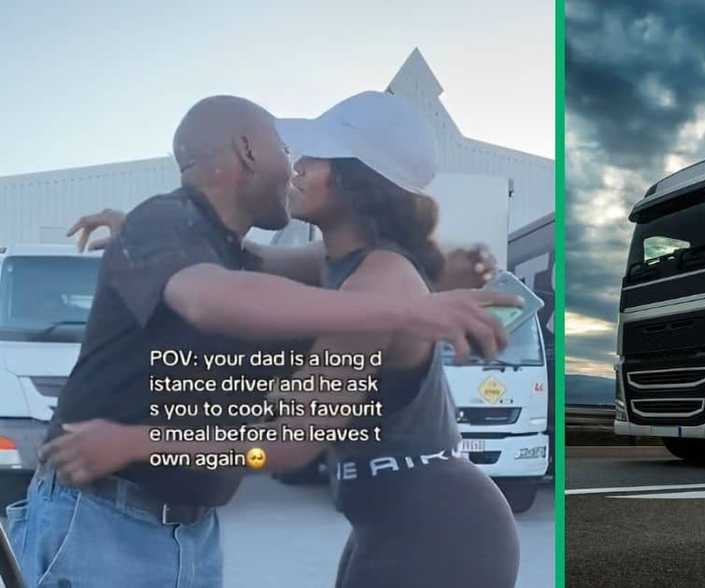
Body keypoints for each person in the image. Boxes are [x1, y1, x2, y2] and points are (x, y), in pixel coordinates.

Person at [8, 95, 518, 587]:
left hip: (437, 530)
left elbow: (284, 445)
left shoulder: (377, 282)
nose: (297, 165)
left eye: (315, 156)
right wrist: (138, 230)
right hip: (394, 523)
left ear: (354, 181)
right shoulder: (332, 265)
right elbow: (234, 266)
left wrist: (135, 441)